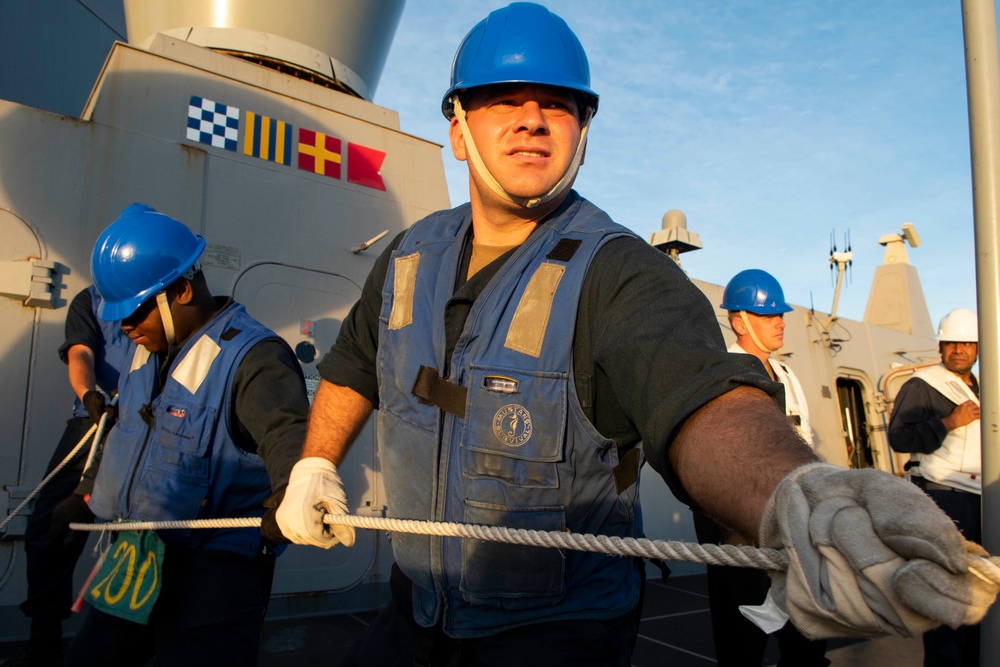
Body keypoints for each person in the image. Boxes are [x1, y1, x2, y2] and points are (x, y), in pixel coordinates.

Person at [265, 4, 998, 665]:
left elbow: (703, 403)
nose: (531, 118)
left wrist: (798, 493)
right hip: (415, 607)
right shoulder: (407, 258)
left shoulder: (620, 273)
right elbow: (355, 365)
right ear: (458, 129)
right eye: (503, 102)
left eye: (557, 104)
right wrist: (315, 464)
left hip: (554, 631)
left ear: (584, 130)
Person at [63, 204, 309, 666]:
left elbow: (289, 438)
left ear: (179, 290)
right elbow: (127, 430)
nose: (124, 327)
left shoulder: (254, 358)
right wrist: (83, 490)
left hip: (214, 577)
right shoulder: (148, 354)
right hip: (136, 557)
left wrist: (292, 496)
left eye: (135, 312)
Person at [692, 269, 828, 667]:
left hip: (792, 517)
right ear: (739, 321)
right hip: (739, 524)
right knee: (743, 636)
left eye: (780, 315)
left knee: (806, 630)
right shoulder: (723, 371)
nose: (780, 323)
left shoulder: (787, 375)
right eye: (769, 316)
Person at [3, 286, 128, 667]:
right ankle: (45, 643)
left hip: (147, 423)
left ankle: (124, 646)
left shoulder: (166, 296)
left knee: (138, 533)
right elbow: (81, 351)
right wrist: (89, 394)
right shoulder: (91, 299)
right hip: (92, 422)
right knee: (50, 528)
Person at [889, 307, 982, 667]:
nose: (959, 349)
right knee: (944, 595)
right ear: (941, 346)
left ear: (976, 348)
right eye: (951, 343)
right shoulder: (922, 385)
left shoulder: (984, 388)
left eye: (967, 343)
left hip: (982, 502)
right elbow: (900, 437)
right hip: (945, 498)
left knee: (978, 593)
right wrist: (948, 421)